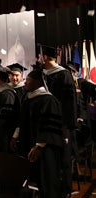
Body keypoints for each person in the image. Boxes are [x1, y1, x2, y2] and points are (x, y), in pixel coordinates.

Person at [16, 68, 64, 197]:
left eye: (28, 80)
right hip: (29, 146)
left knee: (46, 181)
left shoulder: (49, 100)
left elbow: (50, 126)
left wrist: (39, 146)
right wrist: (15, 136)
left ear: (37, 82)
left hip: (45, 149)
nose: (25, 83)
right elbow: (21, 121)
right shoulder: (28, 99)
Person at [40, 45, 77, 196]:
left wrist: (66, 126)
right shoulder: (43, 75)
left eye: (41, 56)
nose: (39, 59)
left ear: (47, 58)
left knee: (63, 160)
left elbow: (69, 104)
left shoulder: (64, 75)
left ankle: (65, 191)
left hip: (61, 125)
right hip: (46, 125)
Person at [0, 63, 20, 152]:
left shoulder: (8, 93)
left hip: (6, 134)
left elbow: (4, 117)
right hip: (0, 133)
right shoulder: (0, 91)